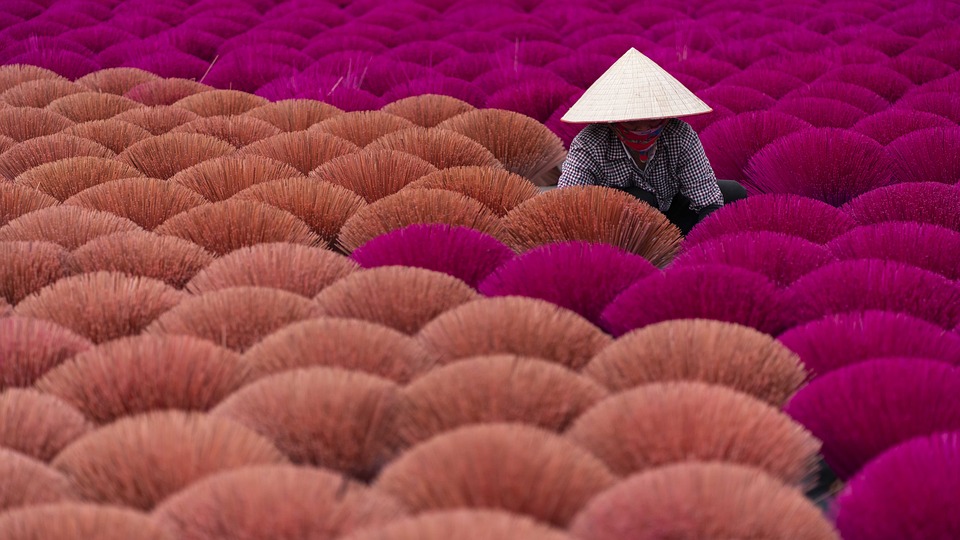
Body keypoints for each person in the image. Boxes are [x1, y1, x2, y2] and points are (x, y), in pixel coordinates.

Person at [558, 48, 747, 234]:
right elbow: (567, 202)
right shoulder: (590, 143)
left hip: (671, 211)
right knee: (640, 200)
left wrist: (707, 241)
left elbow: (708, 199)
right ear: (613, 122)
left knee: (733, 193)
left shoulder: (680, 136)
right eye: (632, 124)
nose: (643, 129)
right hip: (617, 227)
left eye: (652, 121)